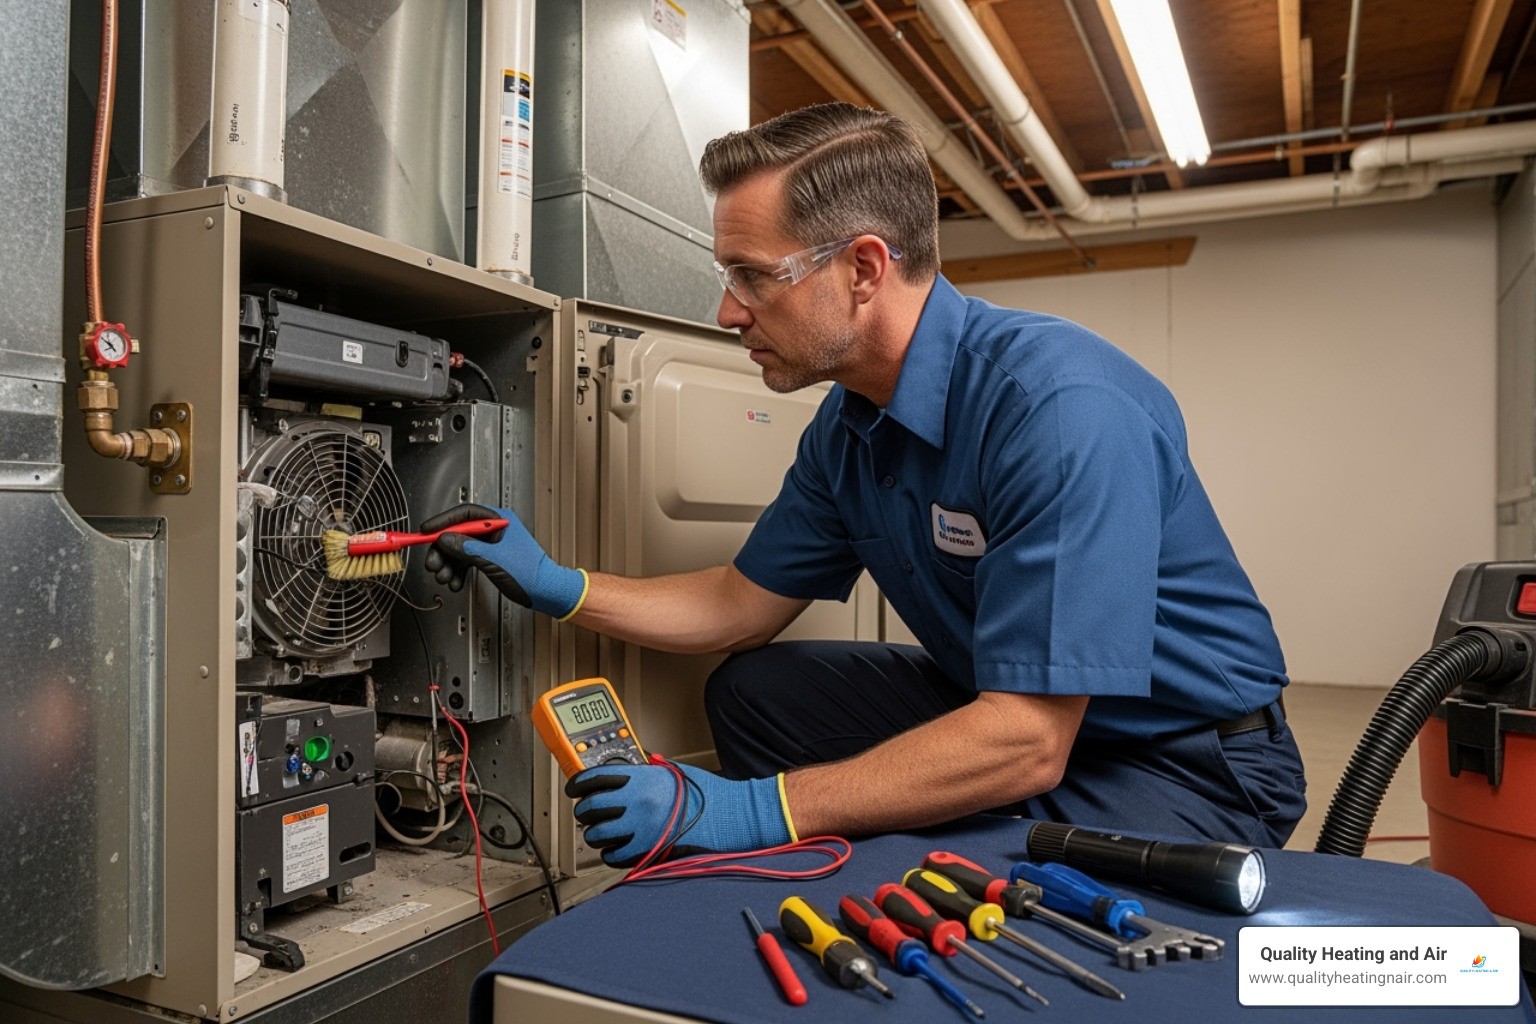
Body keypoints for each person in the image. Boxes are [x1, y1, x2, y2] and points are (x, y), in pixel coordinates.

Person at [422, 102, 1306, 867]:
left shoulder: (1058, 407)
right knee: (752, 692)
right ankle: (917, 829)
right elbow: (739, 605)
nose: (729, 312)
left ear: (864, 269)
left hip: (1184, 761)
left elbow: (1031, 739)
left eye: (752, 277)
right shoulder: (849, 429)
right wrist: (557, 586)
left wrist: (749, 810)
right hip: (1012, 715)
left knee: (986, 885)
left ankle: (930, 853)